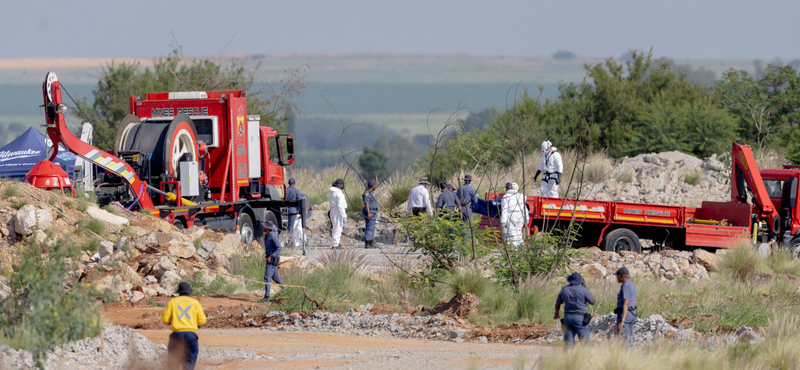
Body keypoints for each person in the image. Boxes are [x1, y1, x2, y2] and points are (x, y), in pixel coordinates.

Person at [162, 282, 206, 370]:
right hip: (191, 335)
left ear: (179, 291)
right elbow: (202, 321)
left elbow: (165, 319)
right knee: (190, 359)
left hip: (177, 335)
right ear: (189, 291)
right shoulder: (195, 302)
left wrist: (171, 320)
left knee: (174, 360)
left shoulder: (173, 302)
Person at [554, 272, 595, 349]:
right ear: (580, 281)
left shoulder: (564, 290)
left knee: (568, 344)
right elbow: (593, 302)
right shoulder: (583, 290)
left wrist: (556, 314)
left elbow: (557, 304)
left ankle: (567, 360)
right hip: (580, 318)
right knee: (584, 343)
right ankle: (586, 360)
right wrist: (585, 287)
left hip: (567, 318)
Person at [500, 182, 530, 246]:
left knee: (512, 234)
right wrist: (526, 218)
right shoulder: (521, 196)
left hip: (511, 216)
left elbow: (504, 209)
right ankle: (521, 248)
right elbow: (524, 208)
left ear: (506, 188)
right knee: (519, 233)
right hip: (520, 216)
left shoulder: (506, 197)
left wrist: (503, 222)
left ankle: (514, 252)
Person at [614, 267, 637, 347]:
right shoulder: (632, 285)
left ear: (621, 276)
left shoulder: (625, 285)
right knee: (628, 339)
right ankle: (630, 358)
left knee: (624, 340)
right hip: (632, 313)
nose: (616, 277)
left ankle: (626, 357)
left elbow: (626, 302)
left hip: (625, 314)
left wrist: (622, 320)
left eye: (617, 276)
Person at [261, 221, 284, 301]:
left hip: (273, 259)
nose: (262, 227)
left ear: (267, 228)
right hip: (269, 258)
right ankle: (286, 290)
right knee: (276, 278)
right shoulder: (267, 236)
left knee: (267, 277)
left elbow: (279, 248)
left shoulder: (273, 235)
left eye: (264, 226)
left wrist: (271, 256)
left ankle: (266, 296)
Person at [328, 179, 348, 249]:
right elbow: (340, 205)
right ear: (339, 185)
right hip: (337, 211)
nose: (343, 185)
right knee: (337, 227)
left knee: (335, 227)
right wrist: (344, 216)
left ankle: (335, 243)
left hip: (333, 210)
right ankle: (335, 244)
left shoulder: (331, 192)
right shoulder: (338, 193)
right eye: (342, 184)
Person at [362, 180, 379, 249]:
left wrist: (376, 212)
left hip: (373, 212)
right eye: (374, 185)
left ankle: (371, 242)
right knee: (369, 228)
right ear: (372, 186)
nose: (375, 186)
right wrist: (369, 213)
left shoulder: (371, 193)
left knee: (372, 228)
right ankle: (368, 243)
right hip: (370, 212)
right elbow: (367, 204)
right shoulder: (367, 194)